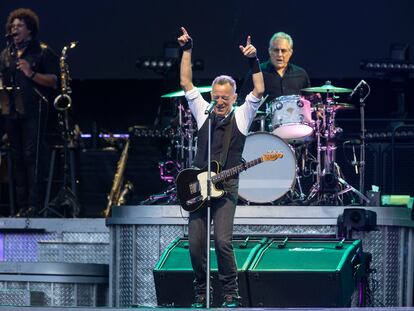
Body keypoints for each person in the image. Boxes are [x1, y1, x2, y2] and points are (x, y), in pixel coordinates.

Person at [177, 27, 264, 308]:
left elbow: (259, 89)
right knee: (196, 246)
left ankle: (230, 293)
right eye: (216, 95)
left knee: (223, 242)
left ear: (235, 97)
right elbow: (187, 83)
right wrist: (187, 50)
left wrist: (254, 61)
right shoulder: (204, 113)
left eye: (225, 97)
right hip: (198, 187)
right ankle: (201, 292)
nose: (220, 101)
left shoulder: (241, 116)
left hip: (226, 188)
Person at [0, 8, 59, 217]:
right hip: (12, 113)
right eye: (12, 26)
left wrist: (30, 72)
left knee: (31, 157)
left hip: (36, 112)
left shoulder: (42, 52)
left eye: (19, 26)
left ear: (30, 30)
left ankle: (35, 205)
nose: (14, 29)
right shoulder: (6, 55)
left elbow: (54, 81)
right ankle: (21, 206)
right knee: (16, 158)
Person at [240, 31, 310, 103]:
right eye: (276, 50)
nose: (279, 54)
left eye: (283, 51)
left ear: (290, 52)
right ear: (270, 51)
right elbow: (241, 101)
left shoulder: (301, 74)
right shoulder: (257, 72)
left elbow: (309, 102)